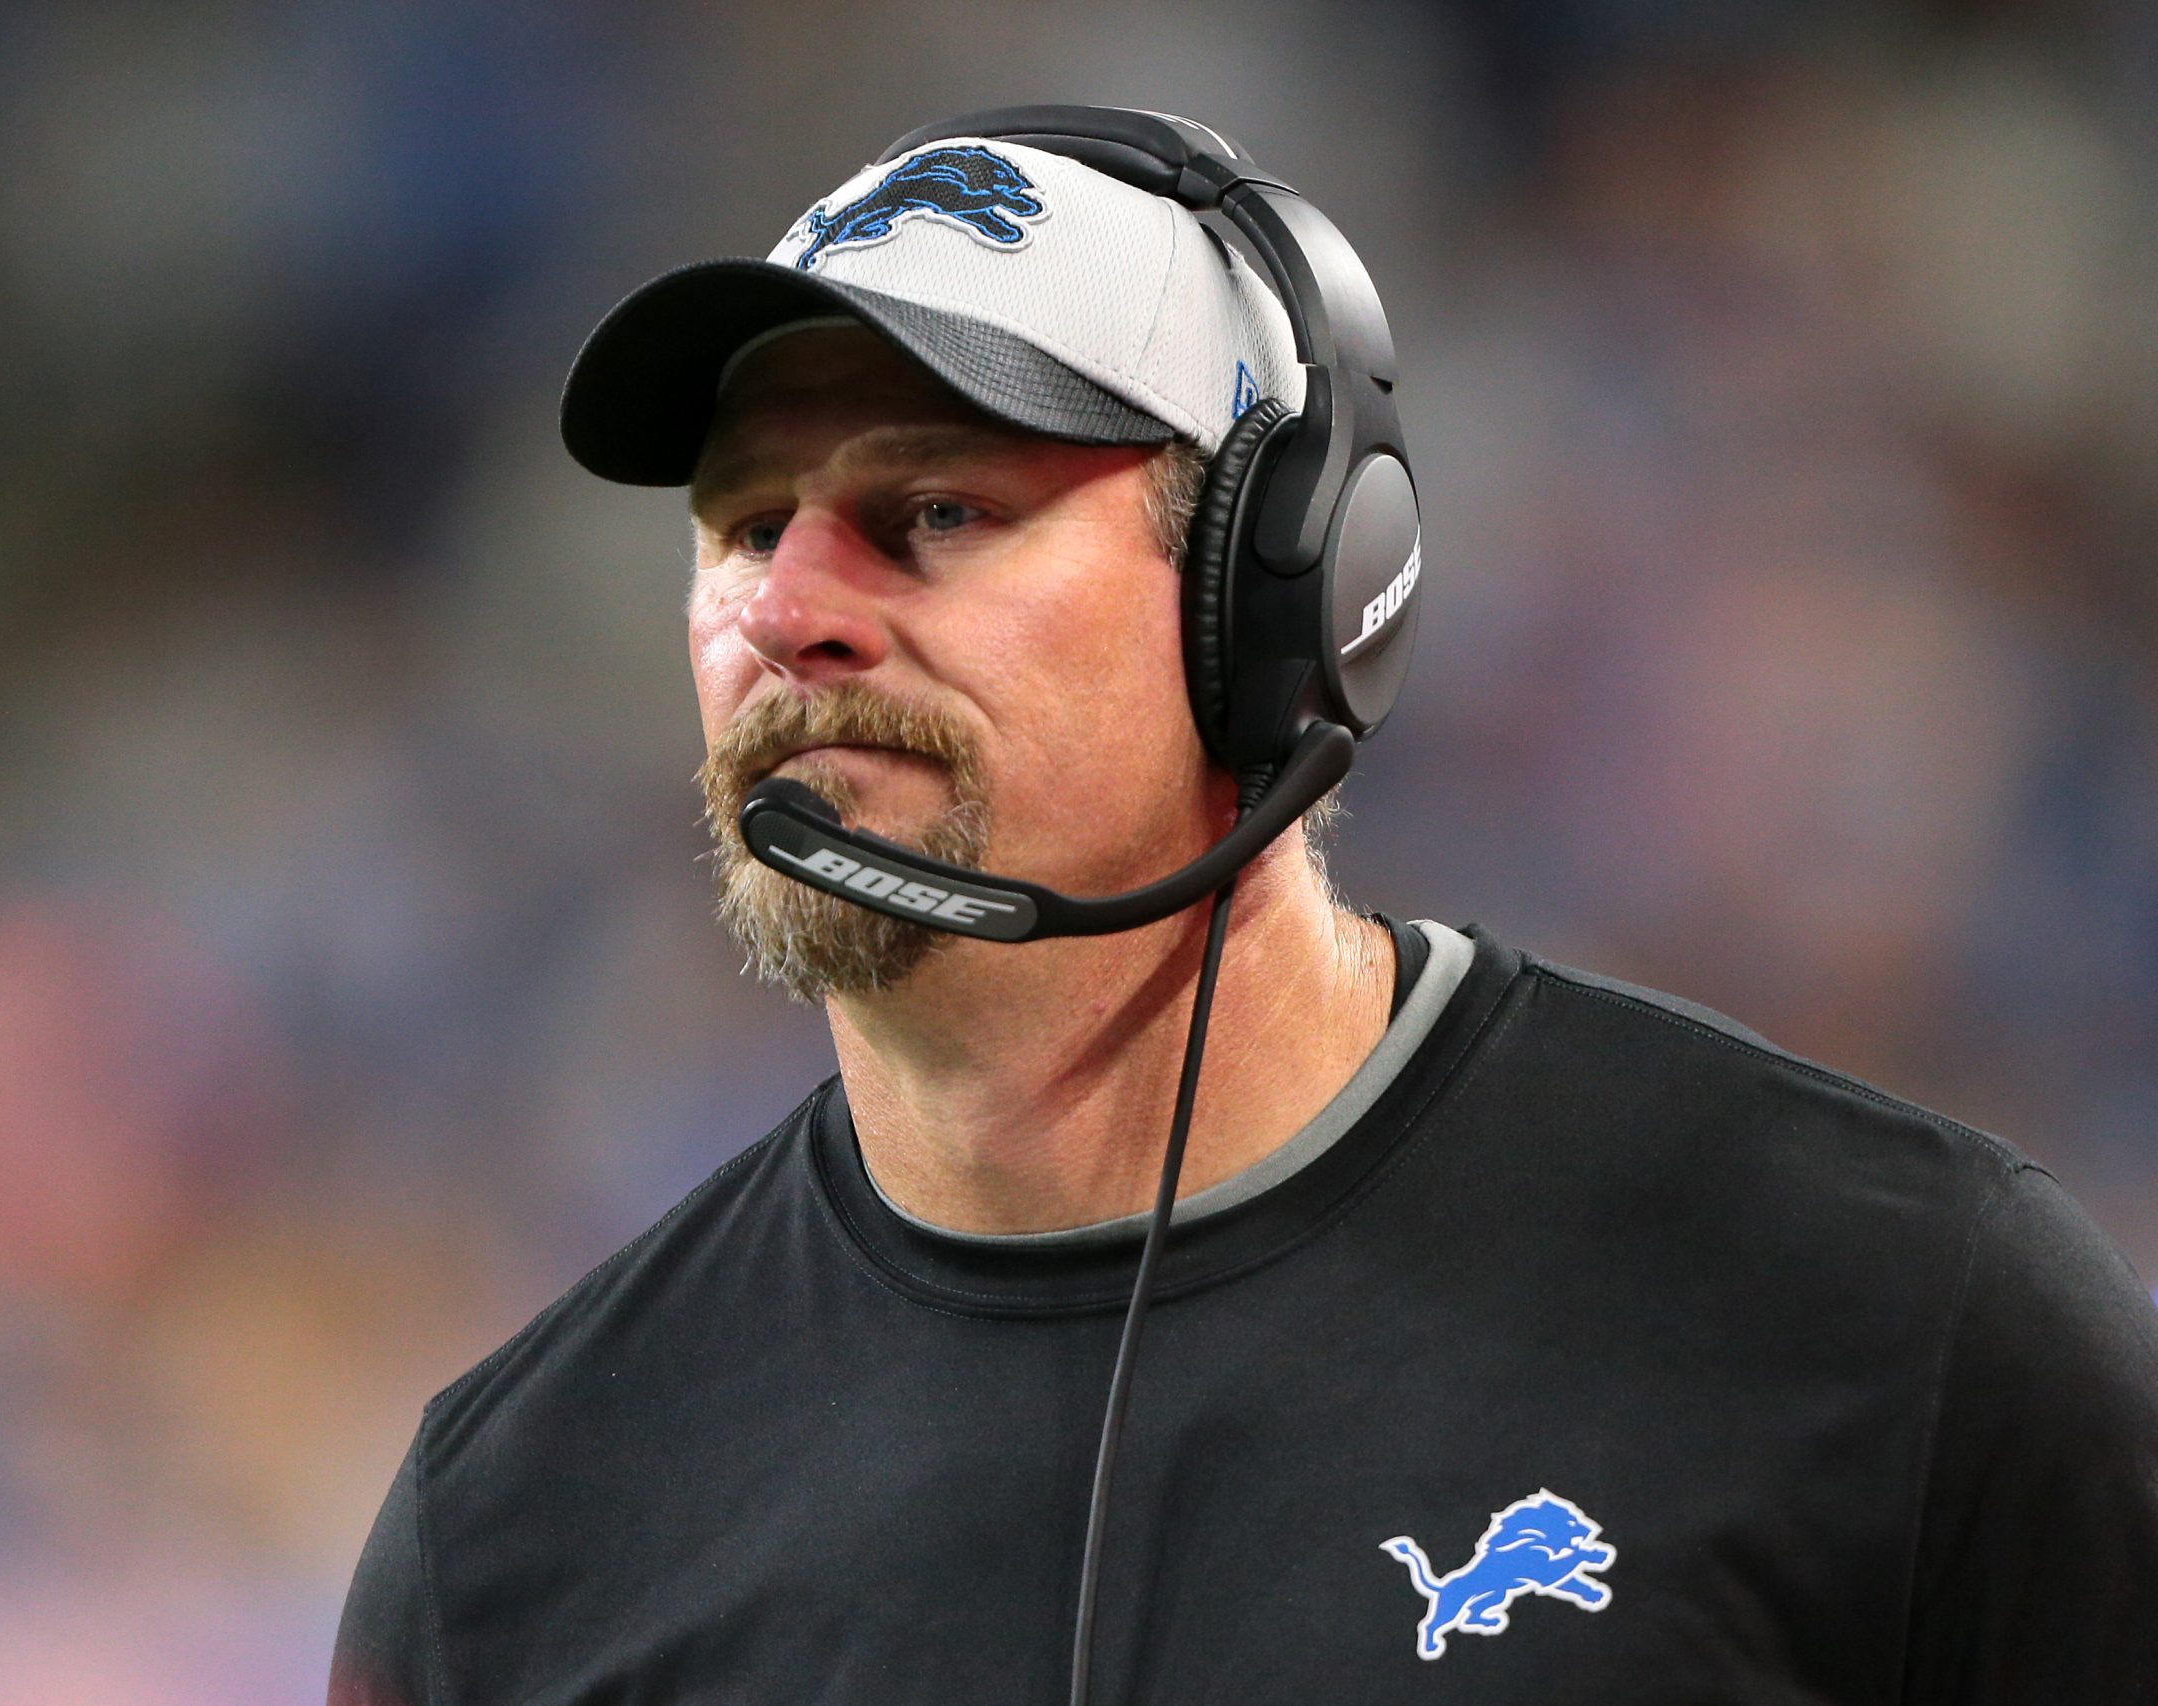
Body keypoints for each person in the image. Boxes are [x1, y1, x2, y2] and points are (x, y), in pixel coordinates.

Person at [330, 112, 2158, 1704]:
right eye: (742, 529)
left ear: (1274, 593)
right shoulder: (519, 1522)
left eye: (935, 511)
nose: (786, 608)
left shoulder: (1897, 1313)